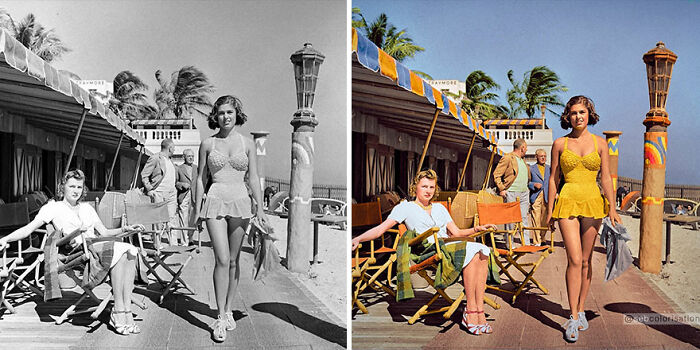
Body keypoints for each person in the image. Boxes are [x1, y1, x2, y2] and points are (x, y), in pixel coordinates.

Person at [351, 169, 497, 335]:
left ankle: (478, 309)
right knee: (471, 250)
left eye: (432, 187)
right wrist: (358, 239)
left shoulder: (440, 208)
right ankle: (471, 310)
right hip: (428, 250)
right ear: (415, 188)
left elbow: (456, 233)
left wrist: (477, 228)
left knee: (482, 249)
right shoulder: (405, 208)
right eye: (424, 186)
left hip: (448, 245)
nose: (428, 190)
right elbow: (380, 229)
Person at [0, 170, 145, 336]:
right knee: (120, 250)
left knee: (130, 250)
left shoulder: (87, 208)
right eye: (72, 186)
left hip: (97, 246)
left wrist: (125, 230)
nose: (76, 190)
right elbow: (28, 229)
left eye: (79, 186)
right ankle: (119, 312)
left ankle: (124, 310)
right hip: (76, 252)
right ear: (63, 187)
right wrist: (6, 239)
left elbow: (104, 232)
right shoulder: (52, 208)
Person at [546, 95, 621, 342]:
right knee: (575, 259)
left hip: (593, 202)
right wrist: (549, 210)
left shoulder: (600, 144)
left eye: (582, 112)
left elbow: (607, 178)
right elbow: (554, 179)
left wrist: (612, 208)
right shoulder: (559, 143)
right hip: (567, 201)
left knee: (587, 261)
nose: (578, 116)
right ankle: (573, 315)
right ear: (568, 116)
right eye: (574, 112)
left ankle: (580, 309)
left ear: (590, 115)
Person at [195, 95, 268, 342]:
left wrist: (260, 208)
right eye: (221, 112)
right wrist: (196, 209)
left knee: (235, 261)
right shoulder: (207, 144)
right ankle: (219, 316)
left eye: (230, 112)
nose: (226, 116)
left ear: (237, 114)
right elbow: (200, 178)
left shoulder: (247, 144)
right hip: (214, 200)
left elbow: (254, 178)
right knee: (222, 259)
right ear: (215, 116)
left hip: (241, 202)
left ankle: (228, 310)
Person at [493, 138, 532, 245]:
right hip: (511, 192)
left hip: (524, 192)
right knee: (509, 219)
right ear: (522, 148)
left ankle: (526, 243)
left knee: (524, 218)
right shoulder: (507, 158)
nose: (527, 149)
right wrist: (502, 189)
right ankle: (509, 244)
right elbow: (496, 174)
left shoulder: (523, 160)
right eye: (526, 147)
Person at [141, 138, 179, 239]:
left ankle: (173, 242)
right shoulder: (155, 158)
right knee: (158, 220)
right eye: (173, 148)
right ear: (170, 148)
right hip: (159, 192)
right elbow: (144, 175)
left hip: (171, 193)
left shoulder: (170, 161)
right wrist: (150, 189)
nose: (174, 151)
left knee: (172, 219)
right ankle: (157, 243)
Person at [528, 149, 551, 246]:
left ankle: (542, 238)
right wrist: (534, 185)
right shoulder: (531, 168)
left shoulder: (550, 168)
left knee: (545, 220)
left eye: (545, 156)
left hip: (547, 196)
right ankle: (536, 241)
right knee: (535, 218)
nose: (543, 158)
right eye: (541, 156)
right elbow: (527, 183)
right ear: (536, 157)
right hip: (536, 196)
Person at [176, 148, 198, 244]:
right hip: (184, 195)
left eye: (192, 156)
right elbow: (175, 182)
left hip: (195, 196)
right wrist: (181, 185)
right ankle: (184, 241)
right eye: (189, 156)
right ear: (183, 157)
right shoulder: (179, 168)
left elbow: (202, 182)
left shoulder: (197, 168)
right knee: (183, 218)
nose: (191, 158)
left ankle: (191, 238)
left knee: (193, 219)